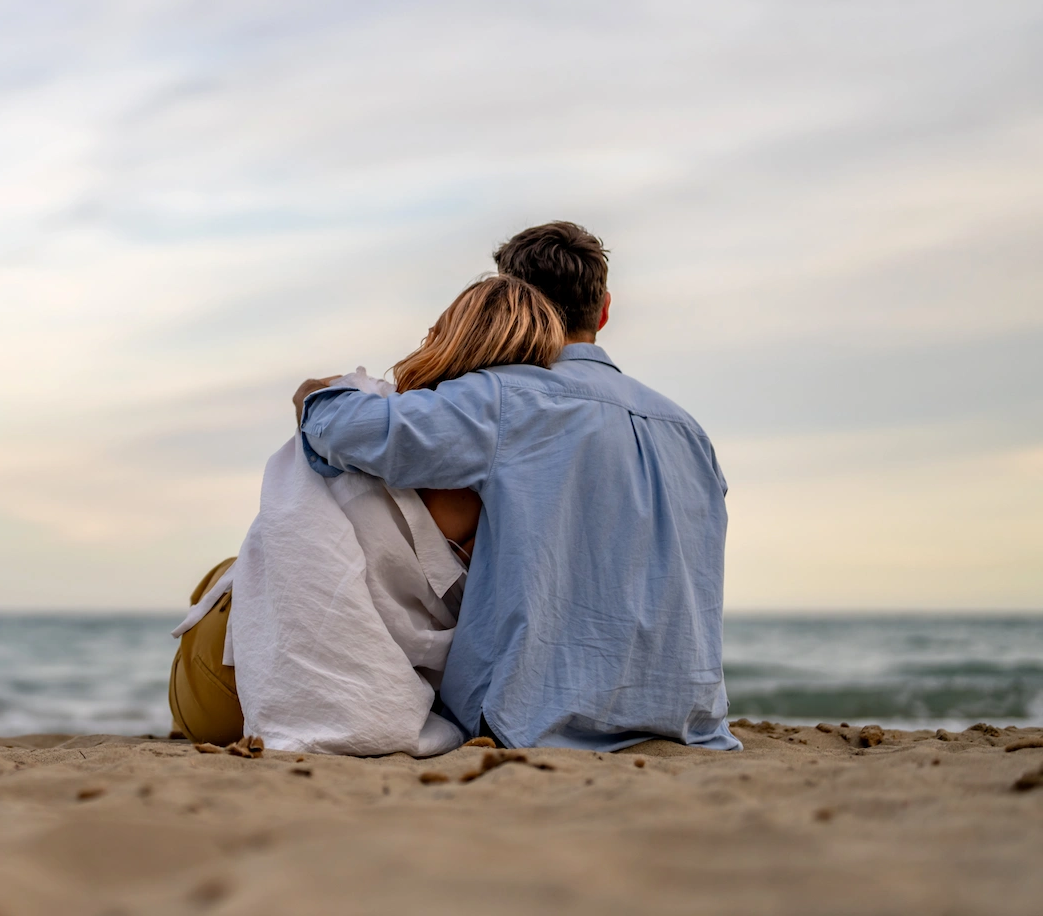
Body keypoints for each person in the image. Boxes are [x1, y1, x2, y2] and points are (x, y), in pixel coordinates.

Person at [296, 221, 739, 751]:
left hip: (533, 720)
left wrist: (315, 397)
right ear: (603, 310)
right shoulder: (688, 430)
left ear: (518, 304)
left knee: (315, 470)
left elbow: (351, 432)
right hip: (687, 723)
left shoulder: (503, 400)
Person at [167, 273, 567, 753]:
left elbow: (309, 398)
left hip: (232, 684)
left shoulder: (384, 419)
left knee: (227, 576)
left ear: (453, 339)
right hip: (389, 683)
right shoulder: (536, 471)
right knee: (233, 576)